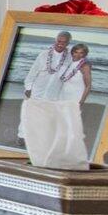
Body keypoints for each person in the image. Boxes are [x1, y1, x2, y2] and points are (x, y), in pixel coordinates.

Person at [18, 29, 95, 169]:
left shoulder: (68, 57)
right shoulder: (43, 54)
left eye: (64, 42)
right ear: (56, 40)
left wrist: (87, 63)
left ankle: (41, 140)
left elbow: (80, 62)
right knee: (31, 112)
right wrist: (28, 87)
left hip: (54, 92)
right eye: (59, 40)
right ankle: (22, 136)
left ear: (68, 43)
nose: (61, 43)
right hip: (38, 88)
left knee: (47, 116)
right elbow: (32, 71)